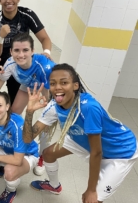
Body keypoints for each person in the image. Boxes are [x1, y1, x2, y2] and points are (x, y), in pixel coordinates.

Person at [23, 64, 138, 203]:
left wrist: (91, 189)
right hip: (82, 138)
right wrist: (29, 112)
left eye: (64, 82)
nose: (57, 87)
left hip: (119, 151)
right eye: (53, 83)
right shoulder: (54, 106)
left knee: (91, 200)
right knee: (48, 154)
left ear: (75, 86)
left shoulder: (88, 108)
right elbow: (28, 138)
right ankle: (54, 186)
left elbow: (96, 152)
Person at [0, 32, 55, 176]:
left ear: (32, 51)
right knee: (11, 116)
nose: (21, 55)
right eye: (17, 50)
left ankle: (41, 156)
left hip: (47, 88)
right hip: (28, 85)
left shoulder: (44, 66)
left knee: (45, 124)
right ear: (11, 51)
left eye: (25, 50)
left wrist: (44, 109)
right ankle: (12, 154)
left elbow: (49, 98)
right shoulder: (10, 63)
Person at [0, 0, 52, 106]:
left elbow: (45, 39)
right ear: (0, 0)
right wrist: (1, 37)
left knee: (15, 102)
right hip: (0, 63)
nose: (9, 1)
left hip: (20, 63)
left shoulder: (27, 15)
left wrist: (46, 52)